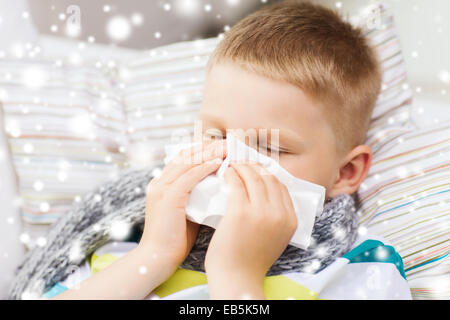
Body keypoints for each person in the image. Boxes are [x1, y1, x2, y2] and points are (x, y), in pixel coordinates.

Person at [15, 0, 412, 300]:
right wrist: (153, 256)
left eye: (269, 146)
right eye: (215, 135)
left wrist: (236, 275)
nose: (230, 163)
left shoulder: (362, 269)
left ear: (346, 173)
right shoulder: (126, 240)